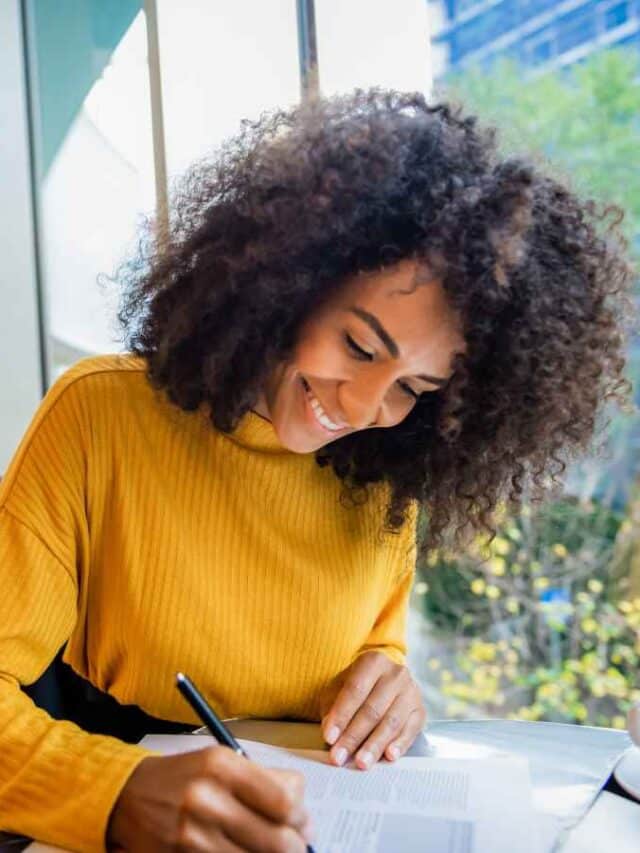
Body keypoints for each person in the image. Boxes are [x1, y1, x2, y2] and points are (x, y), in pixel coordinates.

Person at [0, 89, 632, 852]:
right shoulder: (98, 416)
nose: (365, 403)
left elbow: (374, 640)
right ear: (288, 287)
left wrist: (384, 682)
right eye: (360, 347)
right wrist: (113, 790)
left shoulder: (390, 472)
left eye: (415, 388)